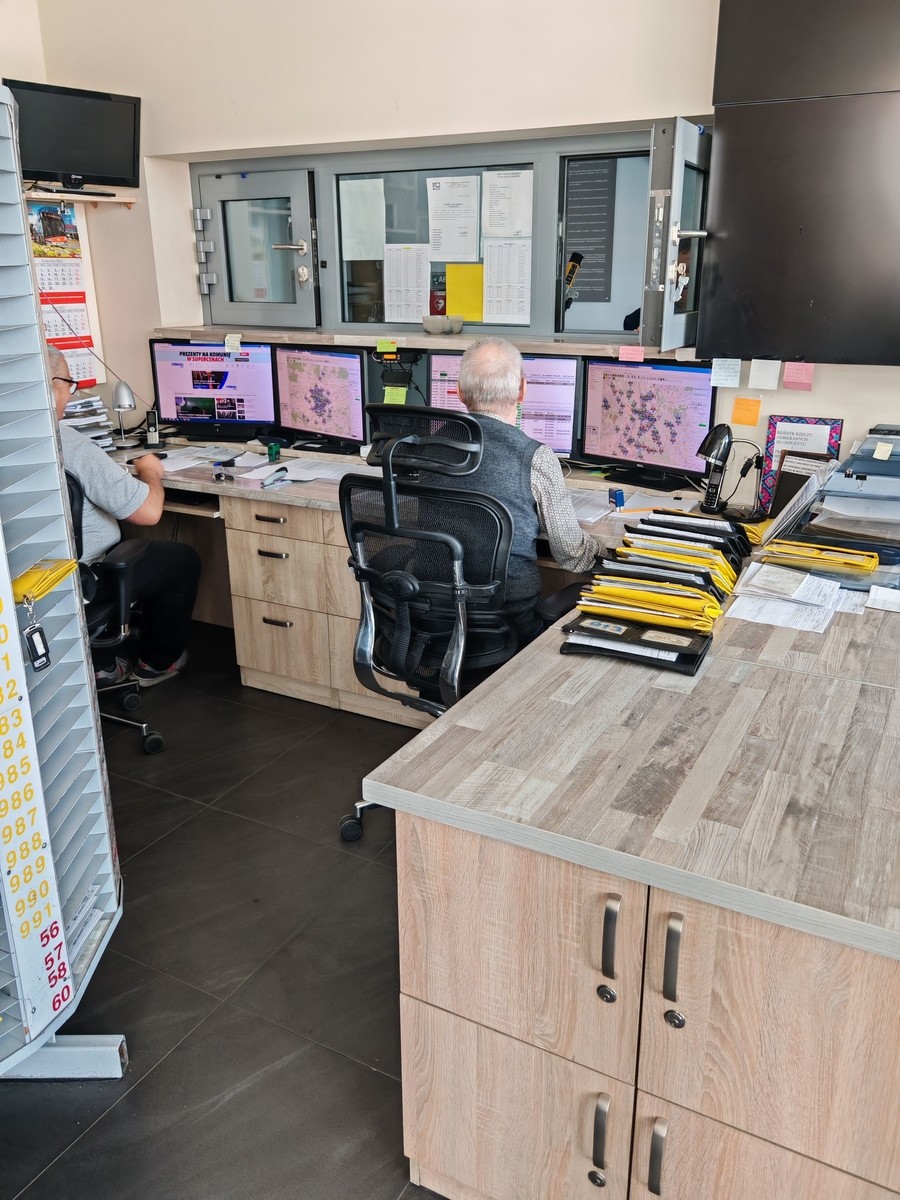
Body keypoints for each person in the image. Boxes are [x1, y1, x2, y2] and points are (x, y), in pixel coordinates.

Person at [430, 337, 604, 640]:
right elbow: (572, 555)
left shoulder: (427, 446)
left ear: (458, 391)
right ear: (522, 389)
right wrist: (611, 555)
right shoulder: (536, 457)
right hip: (510, 622)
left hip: (433, 617)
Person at [49, 346, 200, 686]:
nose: (71, 396)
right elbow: (148, 513)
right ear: (52, 385)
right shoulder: (69, 444)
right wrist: (150, 472)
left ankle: (100, 660)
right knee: (182, 560)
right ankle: (155, 664)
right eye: (69, 384)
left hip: (32, 579)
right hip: (82, 579)